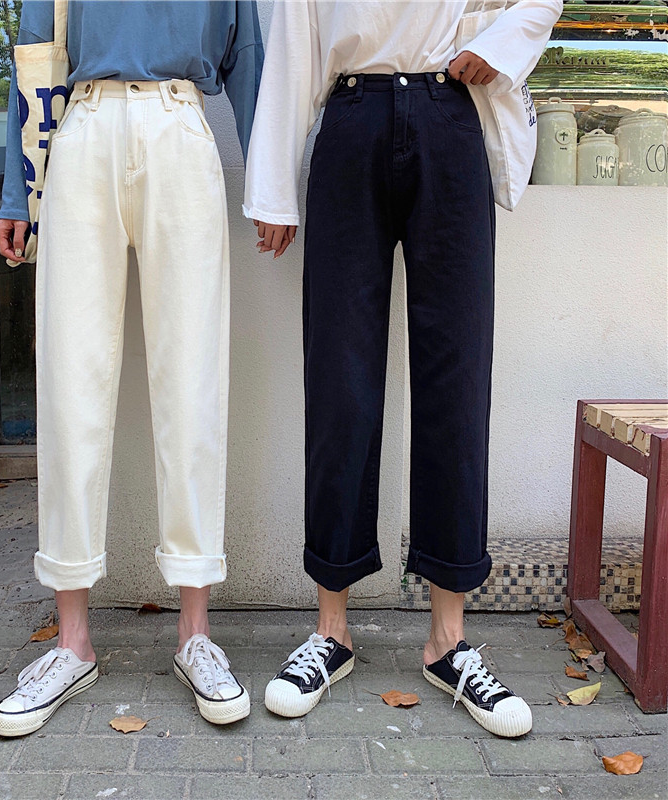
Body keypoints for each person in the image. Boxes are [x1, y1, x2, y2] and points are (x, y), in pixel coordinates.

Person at [244, 0, 561, 737]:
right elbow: (293, 41)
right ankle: (331, 630)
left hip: (451, 117)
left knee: (458, 382)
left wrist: (498, 43)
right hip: (350, 117)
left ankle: (448, 639)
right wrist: (272, 186)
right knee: (339, 382)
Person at [0, 0, 263, 736]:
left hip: (182, 123)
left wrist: (269, 180)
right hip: (81, 130)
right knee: (70, 383)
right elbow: (35, 58)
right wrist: (19, 190)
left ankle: (195, 633)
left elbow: (247, 55)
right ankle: (72, 640)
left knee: (193, 380)